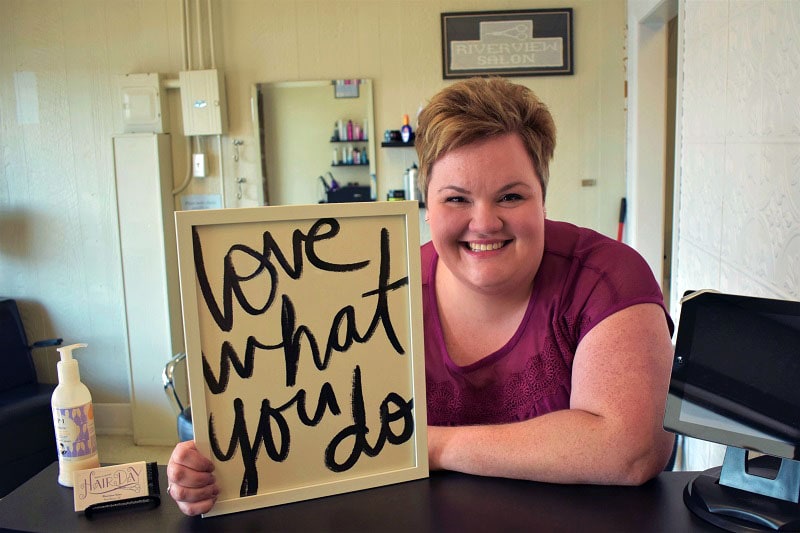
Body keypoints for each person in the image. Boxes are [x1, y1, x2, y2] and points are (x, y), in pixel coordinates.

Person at [166, 77, 676, 516]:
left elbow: (628, 450)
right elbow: (306, 433)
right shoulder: (372, 291)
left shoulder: (605, 278)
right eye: (456, 198)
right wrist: (219, 468)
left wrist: (425, 445)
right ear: (425, 204)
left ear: (543, 194)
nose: (484, 222)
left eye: (511, 196)